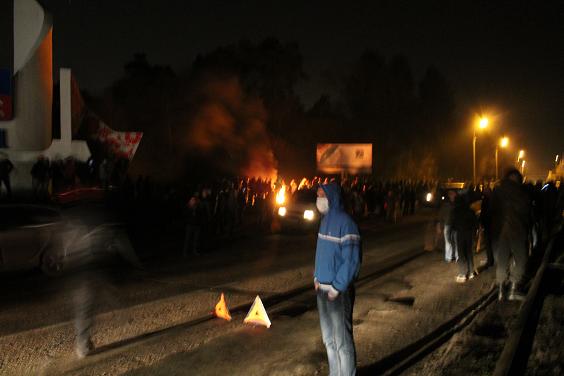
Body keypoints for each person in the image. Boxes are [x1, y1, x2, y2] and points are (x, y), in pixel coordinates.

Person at [314, 182, 362, 376]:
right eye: (317, 195)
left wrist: (337, 287)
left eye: (321, 195)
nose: (318, 200)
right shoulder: (324, 221)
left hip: (337, 293)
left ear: (331, 197)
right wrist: (316, 277)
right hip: (321, 291)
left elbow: (351, 260)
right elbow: (321, 254)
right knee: (329, 340)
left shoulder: (347, 223)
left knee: (342, 342)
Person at [490, 169, 531, 301]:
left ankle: (501, 290)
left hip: (501, 230)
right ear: (518, 179)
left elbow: (491, 210)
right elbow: (527, 213)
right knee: (521, 259)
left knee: (502, 260)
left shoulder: (498, 191)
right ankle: (513, 289)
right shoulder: (522, 193)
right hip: (517, 230)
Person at [451, 194, 479, 283]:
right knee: (469, 252)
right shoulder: (470, 210)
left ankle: (463, 274)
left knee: (461, 253)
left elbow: (453, 223)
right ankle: (471, 272)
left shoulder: (456, 211)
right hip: (469, 233)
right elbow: (475, 222)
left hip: (460, 233)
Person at [439, 190, 458, 262]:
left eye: (453, 194)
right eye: (451, 194)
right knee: (448, 241)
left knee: (456, 241)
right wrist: (439, 224)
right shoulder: (446, 204)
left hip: (455, 225)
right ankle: (448, 257)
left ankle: (457, 256)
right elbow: (441, 215)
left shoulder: (457, 204)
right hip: (447, 224)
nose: (452, 196)